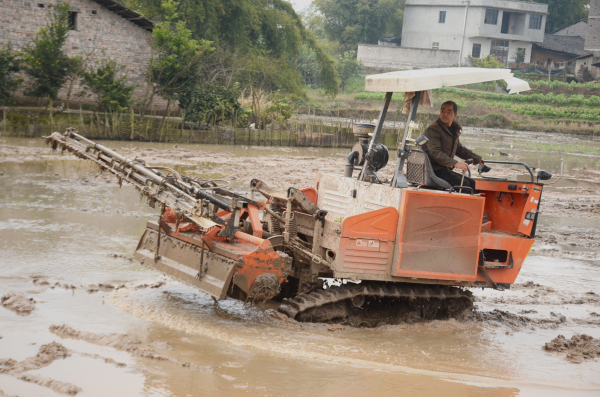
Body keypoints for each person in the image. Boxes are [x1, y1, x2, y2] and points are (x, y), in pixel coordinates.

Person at [423, 101, 484, 190]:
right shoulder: (433, 129)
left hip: (444, 169)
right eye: (443, 111)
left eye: (449, 112)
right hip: (433, 170)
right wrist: (455, 163)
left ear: (455, 115)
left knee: (471, 182)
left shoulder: (453, 130)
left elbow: (459, 149)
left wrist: (477, 159)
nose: (445, 114)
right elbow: (435, 152)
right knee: (465, 184)